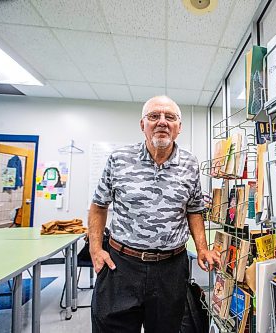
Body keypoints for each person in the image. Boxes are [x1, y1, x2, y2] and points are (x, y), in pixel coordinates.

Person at [88, 95, 221, 333]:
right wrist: (95, 249)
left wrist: (202, 248)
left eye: (170, 117)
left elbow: (194, 210)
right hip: (121, 266)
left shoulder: (190, 165)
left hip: (171, 269)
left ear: (179, 128)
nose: (162, 121)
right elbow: (99, 206)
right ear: (142, 125)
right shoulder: (119, 159)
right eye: (154, 116)